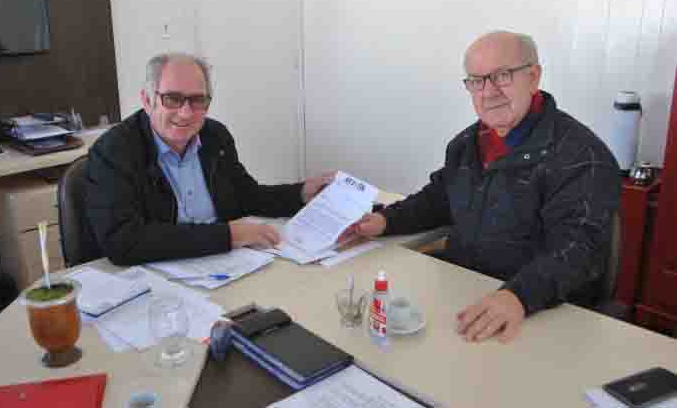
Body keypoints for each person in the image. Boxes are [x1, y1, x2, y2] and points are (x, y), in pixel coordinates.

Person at [345, 31, 621, 343]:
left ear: (533, 77)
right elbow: (439, 198)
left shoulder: (581, 157)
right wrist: (385, 220)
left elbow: (579, 249)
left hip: (539, 312)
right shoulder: (468, 144)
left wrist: (518, 296)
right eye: (477, 81)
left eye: (502, 76)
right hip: (463, 293)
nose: (488, 92)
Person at [86, 53, 332, 266]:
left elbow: (247, 196)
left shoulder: (215, 136)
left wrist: (301, 193)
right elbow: (123, 241)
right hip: (153, 277)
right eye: (172, 99)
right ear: (148, 101)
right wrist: (228, 236)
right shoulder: (113, 151)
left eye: (197, 100)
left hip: (221, 267)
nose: (186, 113)